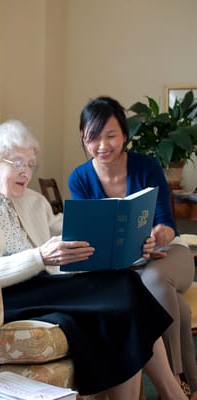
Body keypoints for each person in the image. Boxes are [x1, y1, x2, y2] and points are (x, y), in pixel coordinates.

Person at [0, 119, 188, 400]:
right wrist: (38, 256)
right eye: (18, 163)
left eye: (31, 165)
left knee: (124, 291)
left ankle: (167, 393)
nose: (27, 172)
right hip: (4, 298)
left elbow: (74, 232)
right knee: (122, 291)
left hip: (47, 288)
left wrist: (131, 239)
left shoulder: (33, 201)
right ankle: (172, 394)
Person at [68, 95, 197, 399]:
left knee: (152, 282)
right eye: (93, 137)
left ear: (124, 134)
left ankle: (173, 380)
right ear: (83, 139)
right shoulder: (80, 178)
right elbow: (87, 232)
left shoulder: (147, 166)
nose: (103, 145)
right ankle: (189, 385)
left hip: (169, 255)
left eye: (110, 135)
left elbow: (168, 225)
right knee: (173, 306)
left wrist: (156, 237)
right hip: (125, 265)